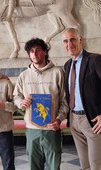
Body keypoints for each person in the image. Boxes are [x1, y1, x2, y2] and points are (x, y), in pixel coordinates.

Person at [13, 38, 68, 170]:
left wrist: (59, 119)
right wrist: (21, 102)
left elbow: (65, 100)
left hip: (52, 129)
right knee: (34, 166)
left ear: (45, 52)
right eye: (31, 51)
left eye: (38, 50)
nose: (35, 53)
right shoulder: (24, 75)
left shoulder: (57, 73)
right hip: (32, 129)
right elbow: (16, 96)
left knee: (54, 166)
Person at [62, 28, 101, 170]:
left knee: (96, 164)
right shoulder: (67, 65)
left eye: (72, 39)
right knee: (85, 165)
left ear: (80, 40)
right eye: (65, 41)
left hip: (92, 121)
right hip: (74, 120)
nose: (69, 44)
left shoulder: (95, 60)